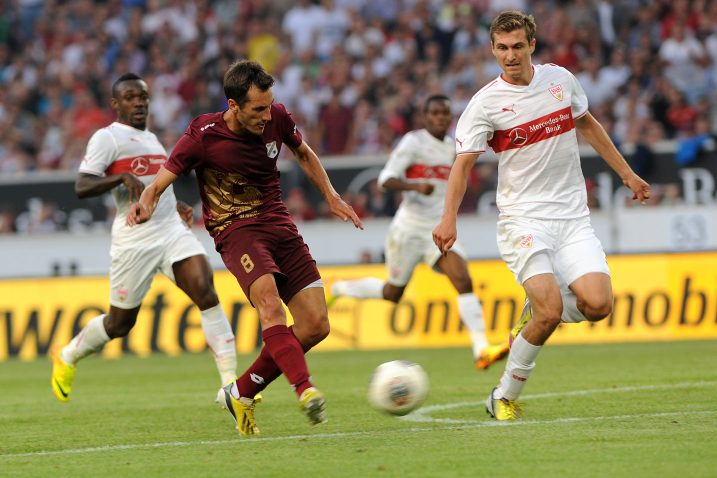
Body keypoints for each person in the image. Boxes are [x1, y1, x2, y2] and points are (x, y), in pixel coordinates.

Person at [432, 11, 651, 421]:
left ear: (532, 44)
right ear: (492, 49)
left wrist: (627, 173)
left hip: (572, 218)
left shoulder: (560, 80)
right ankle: (502, 395)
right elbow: (462, 166)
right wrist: (449, 219)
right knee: (550, 311)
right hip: (522, 220)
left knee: (599, 306)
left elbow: (588, 125)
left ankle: (531, 313)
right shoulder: (484, 104)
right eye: (502, 48)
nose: (510, 56)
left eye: (517, 46)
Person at [127, 60, 363, 435]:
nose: (266, 115)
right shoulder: (203, 134)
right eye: (258, 109)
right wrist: (148, 201)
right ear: (233, 106)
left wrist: (331, 196)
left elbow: (303, 153)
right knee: (269, 305)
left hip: (278, 223)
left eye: (269, 106)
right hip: (236, 230)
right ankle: (305, 389)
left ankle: (240, 391)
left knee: (316, 325)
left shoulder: (278, 118)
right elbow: (163, 178)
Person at [51, 73, 238, 403]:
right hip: (134, 240)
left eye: (143, 97)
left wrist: (173, 203)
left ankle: (232, 388)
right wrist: (120, 177)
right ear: (116, 104)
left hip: (170, 231)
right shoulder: (107, 139)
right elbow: (82, 186)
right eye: (130, 97)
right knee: (120, 324)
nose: (139, 103)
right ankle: (68, 355)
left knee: (205, 289)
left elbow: (155, 182)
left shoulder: (153, 140)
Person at [329, 94, 509, 370]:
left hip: (437, 228)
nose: (440, 117)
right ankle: (341, 288)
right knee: (392, 293)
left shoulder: (453, 147)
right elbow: (385, 180)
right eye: (435, 113)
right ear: (425, 117)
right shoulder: (413, 142)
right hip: (408, 230)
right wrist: (416, 186)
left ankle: (481, 349)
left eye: (445, 113)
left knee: (462, 278)